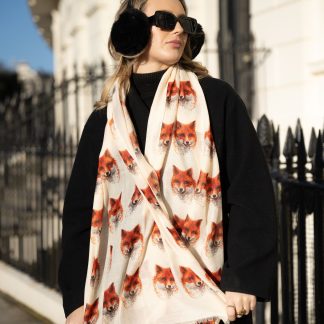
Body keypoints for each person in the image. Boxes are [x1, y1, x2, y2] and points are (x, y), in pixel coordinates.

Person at [58, 0, 277, 323]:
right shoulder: (103, 121)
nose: (178, 29)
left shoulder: (216, 98)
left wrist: (243, 278)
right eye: (164, 20)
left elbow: (250, 191)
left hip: (209, 296)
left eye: (185, 23)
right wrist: (77, 301)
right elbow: (80, 214)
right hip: (121, 302)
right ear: (130, 27)